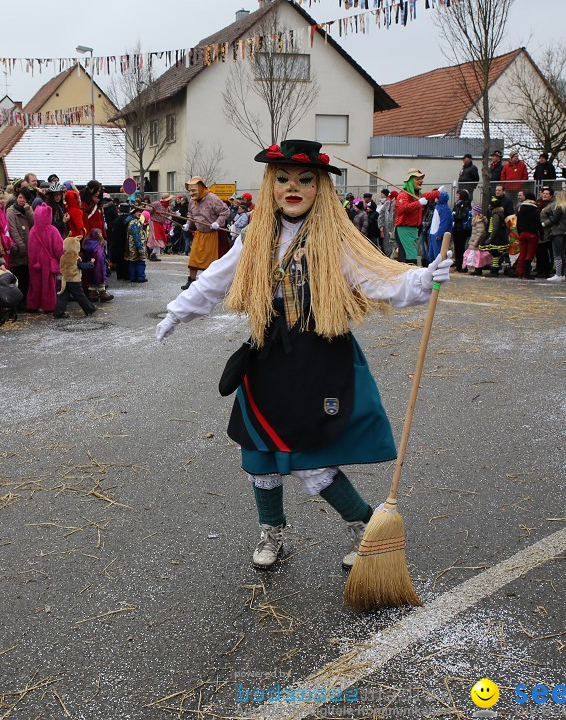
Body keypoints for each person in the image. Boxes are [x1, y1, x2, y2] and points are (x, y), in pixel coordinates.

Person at [155, 139, 453, 570]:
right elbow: (217, 279)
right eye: (283, 179)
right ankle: (271, 533)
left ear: (321, 187)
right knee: (260, 452)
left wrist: (425, 278)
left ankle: (367, 528)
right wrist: (176, 313)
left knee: (310, 458)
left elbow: (379, 280)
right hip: (267, 354)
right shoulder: (254, 236)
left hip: (319, 354)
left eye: (305, 180)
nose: (292, 187)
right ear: (270, 184)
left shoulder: (336, 239)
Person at [182, 176, 230, 289]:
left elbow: (225, 212)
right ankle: (191, 281)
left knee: (212, 261)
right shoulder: (192, 201)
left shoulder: (212, 198)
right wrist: (188, 224)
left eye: (193, 190)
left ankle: (212, 283)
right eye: (189, 191)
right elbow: (190, 215)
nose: (191, 193)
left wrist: (218, 222)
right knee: (193, 257)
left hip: (213, 234)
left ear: (200, 188)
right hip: (199, 233)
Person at [393, 169, 441, 264]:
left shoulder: (415, 195)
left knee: (411, 255)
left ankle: (409, 274)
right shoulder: (403, 195)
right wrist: (418, 203)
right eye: (417, 178)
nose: (421, 181)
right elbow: (401, 209)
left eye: (421, 178)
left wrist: (437, 193)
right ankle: (407, 275)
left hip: (413, 230)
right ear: (410, 180)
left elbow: (427, 195)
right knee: (409, 257)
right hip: (404, 229)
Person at [26, 203, 64, 313]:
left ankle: (33, 305)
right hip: (48, 262)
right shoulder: (52, 230)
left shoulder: (33, 230)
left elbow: (30, 248)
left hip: (34, 263)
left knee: (34, 284)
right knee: (48, 284)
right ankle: (49, 305)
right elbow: (59, 249)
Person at [53, 235, 97, 319]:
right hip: (74, 280)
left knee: (63, 297)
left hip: (64, 279)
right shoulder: (76, 258)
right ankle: (89, 309)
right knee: (80, 296)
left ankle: (58, 312)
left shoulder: (62, 257)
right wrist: (91, 263)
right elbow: (83, 266)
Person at [5, 188, 34, 304]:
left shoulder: (28, 209)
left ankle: (26, 301)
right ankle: (20, 303)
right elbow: (13, 230)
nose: (22, 200)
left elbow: (34, 224)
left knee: (27, 278)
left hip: (29, 250)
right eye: (20, 197)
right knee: (19, 277)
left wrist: (28, 210)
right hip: (18, 250)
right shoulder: (11, 211)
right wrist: (21, 246)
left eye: (24, 198)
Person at [540, 190, 566, 282]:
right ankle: (562, 274)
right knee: (562, 254)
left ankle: (558, 274)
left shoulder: (559, 207)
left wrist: (549, 217)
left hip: (558, 232)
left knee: (557, 254)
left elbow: (554, 220)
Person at [514, 191, 541, 279]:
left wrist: (519, 232)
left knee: (522, 253)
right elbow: (538, 223)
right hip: (532, 234)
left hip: (522, 233)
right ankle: (526, 272)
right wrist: (541, 233)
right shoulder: (535, 210)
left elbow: (517, 223)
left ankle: (519, 272)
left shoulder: (521, 209)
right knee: (529, 254)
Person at [83, 229, 113, 302]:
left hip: (89, 266)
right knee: (100, 282)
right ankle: (103, 294)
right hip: (99, 266)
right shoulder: (99, 245)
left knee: (92, 282)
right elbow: (100, 256)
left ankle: (92, 295)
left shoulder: (87, 243)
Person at [124, 206, 148, 283]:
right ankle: (140, 277)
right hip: (136, 247)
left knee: (132, 262)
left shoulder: (130, 221)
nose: (140, 213)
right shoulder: (135, 222)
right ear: (134, 213)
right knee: (140, 262)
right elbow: (136, 236)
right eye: (138, 212)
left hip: (131, 247)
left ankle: (133, 277)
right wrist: (140, 248)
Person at [451, 190, 472, 270]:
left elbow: (461, 216)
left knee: (461, 247)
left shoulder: (466, 204)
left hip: (462, 229)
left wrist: (455, 215)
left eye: (458, 195)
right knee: (457, 247)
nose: (457, 196)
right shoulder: (457, 204)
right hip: (456, 228)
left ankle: (463, 265)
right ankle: (458, 263)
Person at [148, 194, 172, 261]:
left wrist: (176, 213)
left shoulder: (166, 206)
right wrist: (152, 210)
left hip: (160, 224)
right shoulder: (156, 203)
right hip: (154, 222)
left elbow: (170, 212)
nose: (170, 201)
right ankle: (152, 254)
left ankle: (153, 254)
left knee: (159, 238)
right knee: (156, 238)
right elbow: (149, 209)